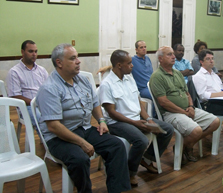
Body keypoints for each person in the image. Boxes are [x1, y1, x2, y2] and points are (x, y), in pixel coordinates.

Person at [36, 44, 131, 193]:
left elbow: (95, 104)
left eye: (77, 57)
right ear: (59, 63)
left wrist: (101, 121)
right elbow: (53, 126)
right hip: (59, 137)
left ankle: (118, 190)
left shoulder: (82, 80)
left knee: (117, 146)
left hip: (84, 128)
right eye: (73, 58)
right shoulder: (49, 88)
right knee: (80, 159)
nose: (78, 61)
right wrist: (82, 143)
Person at [99, 49, 173, 186]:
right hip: (117, 122)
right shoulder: (106, 84)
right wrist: (135, 123)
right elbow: (111, 112)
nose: (132, 65)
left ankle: (146, 158)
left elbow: (139, 102)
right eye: (129, 63)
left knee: (167, 129)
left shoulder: (129, 78)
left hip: (136, 118)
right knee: (141, 140)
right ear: (119, 65)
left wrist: (148, 119)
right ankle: (130, 171)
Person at [149, 46, 220, 162]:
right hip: (170, 113)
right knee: (196, 131)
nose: (173, 57)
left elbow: (187, 93)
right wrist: (184, 112)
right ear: (160, 59)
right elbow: (164, 102)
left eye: (173, 54)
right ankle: (183, 146)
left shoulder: (177, 73)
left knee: (215, 122)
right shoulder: (157, 76)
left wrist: (191, 107)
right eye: (169, 54)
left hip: (187, 109)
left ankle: (186, 145)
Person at [6, 40, 48, 127]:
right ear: (22, 52)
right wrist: (35, 103)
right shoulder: (14, 72)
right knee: (41, 119)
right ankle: (49, 140)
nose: (34, 54)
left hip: (44, 104)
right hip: (27, 106)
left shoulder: (42, 70)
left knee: (64, 114)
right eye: (30, 51)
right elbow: (15, 96)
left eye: (36, 51)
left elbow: (49, 89)